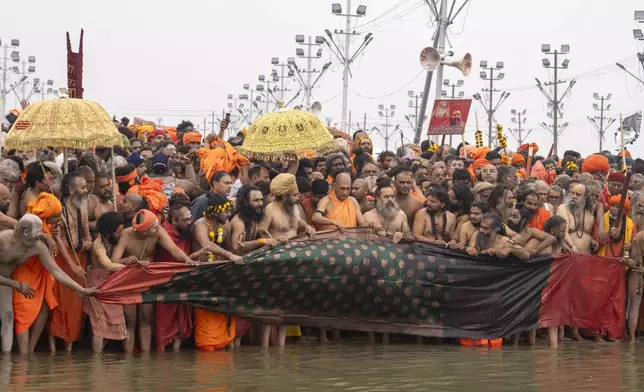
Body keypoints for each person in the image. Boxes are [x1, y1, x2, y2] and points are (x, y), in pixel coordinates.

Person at [10, 194, 97, 354]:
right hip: (24, 271)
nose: (60, 218)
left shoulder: (51, 226)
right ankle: (23, 356)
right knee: (24, 310)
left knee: (44, 307)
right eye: (56, 216)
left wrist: (52, 237)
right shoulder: (30, 222)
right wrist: (45, 236)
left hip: (43, 270)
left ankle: (30, 350)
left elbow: (55, 265)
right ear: (46, 215)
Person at [110, 209, 198, 352]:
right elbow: (114, 261)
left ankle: (145, 359)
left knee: (145, 318)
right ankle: (128, 359)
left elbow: (174, 250)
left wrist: (188, 260)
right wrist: (126, 260)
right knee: (130, 321)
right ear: (144, 231)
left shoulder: (157, 231)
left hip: (147, 278)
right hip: (128, 279)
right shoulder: (126, 234)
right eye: (155, 227)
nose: (159, 228)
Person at [259, 173, 316, 347]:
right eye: (294, 195)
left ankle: (281, 347)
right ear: (284, 196)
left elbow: (298, 223)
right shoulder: (270, 209)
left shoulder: (294, 208)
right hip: (273, 263)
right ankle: (264, 347)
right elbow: (261, 232)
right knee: (271, 308)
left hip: (292, 264)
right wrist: (278, 239)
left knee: (287, 306)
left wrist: (308, 227)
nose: (297, 197)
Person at [49, 172, 94, 352]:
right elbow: (58, 241)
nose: (86, 190)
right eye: (82, 187)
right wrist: (72, 265)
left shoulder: (82, 207)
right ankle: (53, 349)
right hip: (61, 260)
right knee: (58, 303)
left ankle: (68, 349)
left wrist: (88, 244)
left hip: (80, 257)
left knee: (76, 304)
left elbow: (87, 234)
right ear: (69, 190)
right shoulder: (57, 209)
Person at [154, 203, 201, 352]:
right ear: (174, 221)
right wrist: (188, 259)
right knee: (164, 321)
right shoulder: (163, 231)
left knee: (180, 321)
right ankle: (160, 357)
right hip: (164, 281)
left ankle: (176, 355)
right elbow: (174, 251)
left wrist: (193, 258)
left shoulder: (186, 231)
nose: (190, 222)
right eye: (186, 220)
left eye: (190, 218)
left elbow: (185, 255)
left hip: (183, 280)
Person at [85, 212, 134, 353]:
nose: (121, 234)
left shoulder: (114, 240)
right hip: (96, 285)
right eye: (118, 232)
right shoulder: (98, 245)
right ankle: (97, 363)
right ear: (108, 233)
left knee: (120, 323)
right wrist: (131, 269)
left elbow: (115, 262)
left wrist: (127, 261)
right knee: (99, 326)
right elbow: (109, 265)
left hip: (112, 282)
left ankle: (127, 361)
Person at [364, 179, 412, 244]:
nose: (390, 200)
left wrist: (403, 235)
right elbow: (362, 237)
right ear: (378, 198)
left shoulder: (401, 214)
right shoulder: (368, 216)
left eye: (392, 196)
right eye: (386, 197)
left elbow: (409, 235)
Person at [466, 213, 530, 259]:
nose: (481, 230)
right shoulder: (477, 234)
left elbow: (526, 255)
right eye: (481, 226)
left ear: (495, 230)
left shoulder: (504, 241)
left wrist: (509, 249)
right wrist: (470, 249)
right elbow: (470, 248)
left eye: (485, 228)